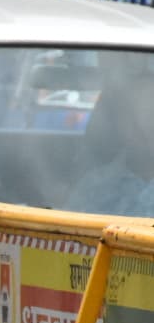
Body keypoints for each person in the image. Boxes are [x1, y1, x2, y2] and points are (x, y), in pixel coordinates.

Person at [65, 72, 154, 218]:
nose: (143, 126)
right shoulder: (94, 186)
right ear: (119, 123)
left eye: (151, 114)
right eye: (134, 116)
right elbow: (63, 233)